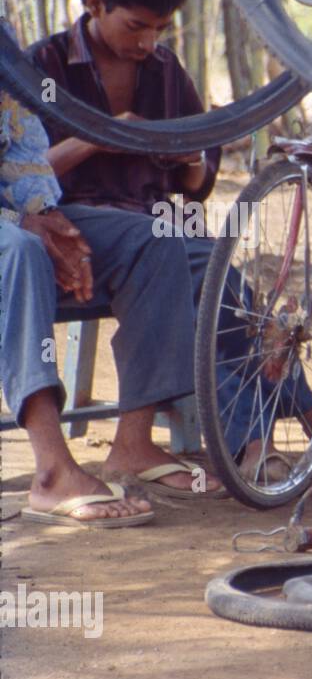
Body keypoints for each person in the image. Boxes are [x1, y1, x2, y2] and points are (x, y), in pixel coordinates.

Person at [28, 0, 312, 484]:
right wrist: (97, 134)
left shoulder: (165, 69)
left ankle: (263, 438)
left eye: (160, 28)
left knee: (224, 286)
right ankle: (295, 428)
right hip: (71, 225)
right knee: (201, 274)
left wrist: (190, 156)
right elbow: (21, 174)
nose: (147, 42)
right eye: (135, 26)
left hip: (158, 226)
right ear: (94, 4)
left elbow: (195, 182)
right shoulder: (43, 67)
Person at [1, 87, 208, 524]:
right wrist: (21, 223)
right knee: (21, 251)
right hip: (13, 236)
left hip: (21, 219)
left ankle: (134, 446)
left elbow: (23, 141)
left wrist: (47, 213)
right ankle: (52, 472)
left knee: (155, 240)